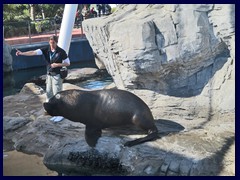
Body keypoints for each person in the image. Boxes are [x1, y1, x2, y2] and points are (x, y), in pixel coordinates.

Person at [16, 35, 70, 120]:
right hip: (49, 75)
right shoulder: (46, 49)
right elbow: (33, 52)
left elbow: (68, 63)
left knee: (58, 94)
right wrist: (22, 53)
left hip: (57, 75)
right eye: (50, 42)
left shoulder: (61, 51)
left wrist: (58, 64)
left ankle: (60, 113)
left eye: (53, 43)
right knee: (49, 93)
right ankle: (51, 110)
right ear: (49, 42)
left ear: (56, 42)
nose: (52, 44)